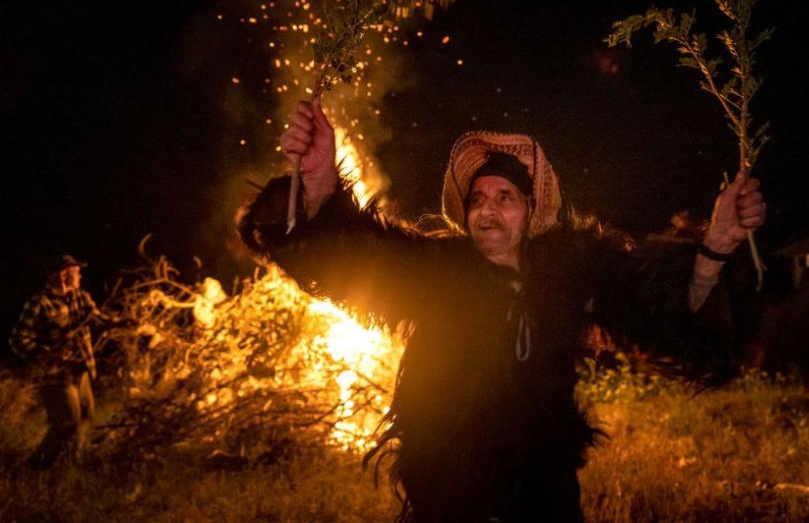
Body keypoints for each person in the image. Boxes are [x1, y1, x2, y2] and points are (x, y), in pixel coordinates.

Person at [237, 97, 765, 522]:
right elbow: (359, 256)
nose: (487, 208)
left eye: (505, 196)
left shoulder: (571, 274)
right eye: (477, 199)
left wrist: (716, 243)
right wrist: (320, 182)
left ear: (531, 212)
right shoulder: (438, 271)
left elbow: (662, 310)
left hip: (545, 498)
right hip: (449, 497)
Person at [9, 255, 108, 467]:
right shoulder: (39, 303)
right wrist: (45, 353)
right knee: (66, 422)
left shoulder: (81, 297)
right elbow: (18, 339)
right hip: (56, 374)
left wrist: (125, 320)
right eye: (76, 270)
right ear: (64, 275)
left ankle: (75, 462)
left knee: (86, 416)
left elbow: (100, 319)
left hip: (81, 370)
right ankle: (33, 465)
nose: (80, 274)